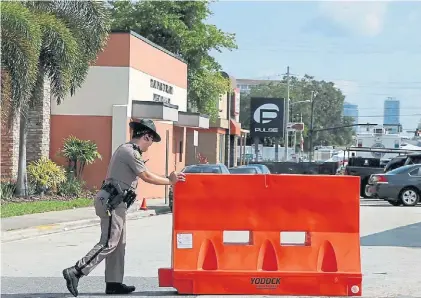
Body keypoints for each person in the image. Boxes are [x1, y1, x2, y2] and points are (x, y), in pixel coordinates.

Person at [62, 118, 186, 297]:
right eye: (150, 142)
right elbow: (146, 176)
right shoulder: (129, 152)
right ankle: (76, 271)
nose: (149, 146)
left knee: (119, 244)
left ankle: (114, 283)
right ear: (147, 136)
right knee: (109, 242)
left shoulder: (128, 150)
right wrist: (170, 181)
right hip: (112, 202)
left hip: (117, 203)